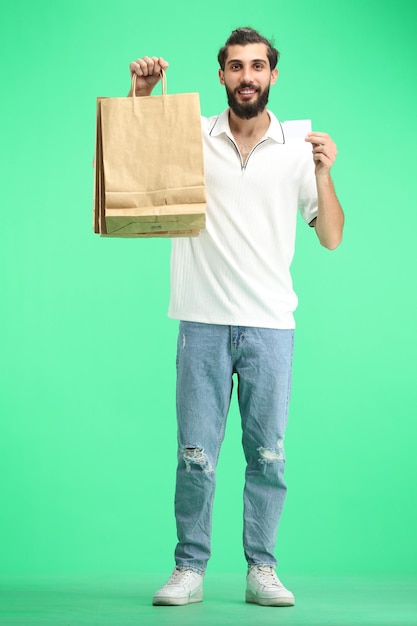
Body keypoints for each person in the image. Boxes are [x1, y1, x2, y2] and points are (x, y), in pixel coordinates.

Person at [129, 26, 344, 608]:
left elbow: (330, 237)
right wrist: (143, 95)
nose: (246, 76)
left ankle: (262, 569)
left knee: (267, 454)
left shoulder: (298, 147)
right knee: (195, 454)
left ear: (273, 75)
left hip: (271, 324)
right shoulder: (192, 136)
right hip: (201, 317)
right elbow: (141, 166)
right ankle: (188, 568)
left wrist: (323, 173)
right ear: (220, 75)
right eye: (235, 66)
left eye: (256, 66)